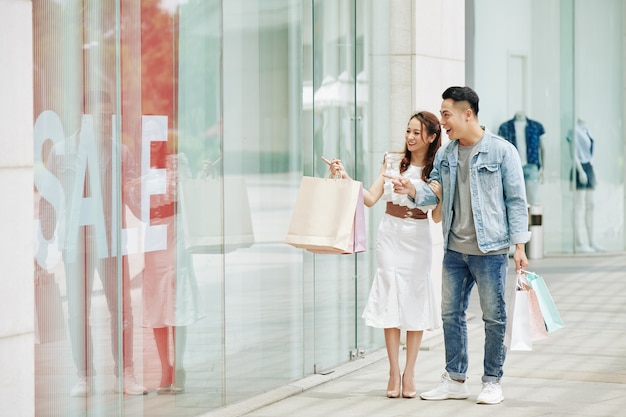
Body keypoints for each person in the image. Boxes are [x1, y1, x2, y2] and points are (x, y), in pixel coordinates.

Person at [394, 86, 530, 405]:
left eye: (446, 114)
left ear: (467, 113)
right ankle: (455, 378)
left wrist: (520, 245)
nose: (443, 121)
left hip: (491, 250)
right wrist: (413, 190)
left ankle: (492, 381)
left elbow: (517, 201)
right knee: (450, 315)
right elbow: (434, 192)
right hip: (455, 248)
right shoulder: (446, 153)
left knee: (493, 317)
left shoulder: (501, 151)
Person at [326, 110, 443, 399]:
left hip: (418, 236)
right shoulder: (392, 161)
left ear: (431, 137)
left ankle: (410, 372)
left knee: (414, 300)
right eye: (408, 131)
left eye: (417, 132)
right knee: (390, 296)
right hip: (390, 233)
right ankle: (393, 371)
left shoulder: (436, 168)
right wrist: (346, 177)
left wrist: (424, 190)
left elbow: (438, 215)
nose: (411, 137)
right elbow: (369, 199)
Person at [39, 90, 146, 396]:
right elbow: (49, 201)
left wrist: (150, 196)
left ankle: (125, 373)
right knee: (77, 312)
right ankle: (83, 375)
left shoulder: (119, 153)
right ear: (84, 118)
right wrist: (43, 246)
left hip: (110, 243)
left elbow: (134, 198)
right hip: (75, 245)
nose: (106, 123)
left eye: (110, 117)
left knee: (122, 310)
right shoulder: (61, 153)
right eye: (100, 117)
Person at [139, 135, 203, 395]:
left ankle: (179, 365)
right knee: (156, 297)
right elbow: (134, 201)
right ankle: (165, 367)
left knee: (176, 296)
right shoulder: (140, 165)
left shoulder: (178, 162)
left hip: (176, 229)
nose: (153, 142)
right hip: (153, 231)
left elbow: (189, 193)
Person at [497, 111, 545, 206]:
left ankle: (533, 221)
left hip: (531, 165)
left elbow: (543, 148)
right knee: (514, 199)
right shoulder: (505, 126)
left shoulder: (536, 126)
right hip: (512, 166)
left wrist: (542, 168)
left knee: (533, 200)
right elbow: (499, 149)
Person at [567, 118, 598, 252]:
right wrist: (580, 171)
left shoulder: (587, 130)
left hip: (589, 168)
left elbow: (591, 154)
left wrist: (593, 172)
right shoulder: (573, 131)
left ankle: (591, 241)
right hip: (579, 168)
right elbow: (573, 153)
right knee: (578, 205)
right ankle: (578, 241)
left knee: (590, 205)